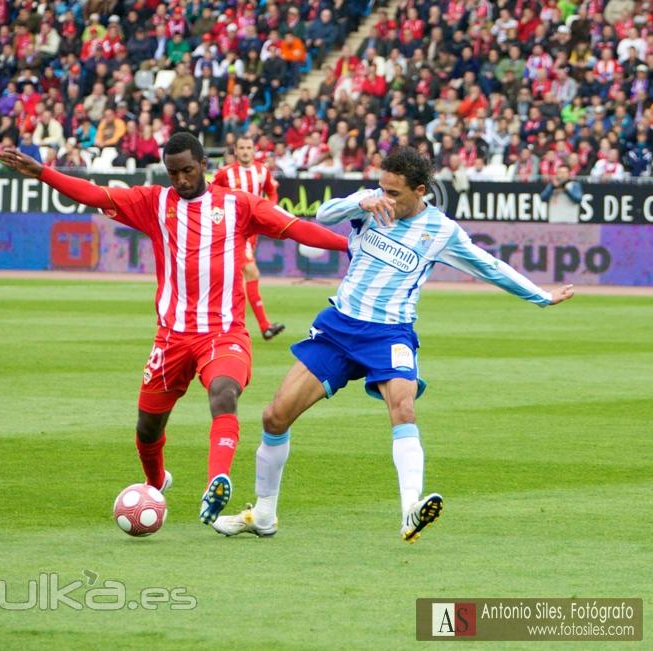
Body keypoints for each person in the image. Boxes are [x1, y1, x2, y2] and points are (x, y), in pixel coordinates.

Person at [213, 147, 574, 542]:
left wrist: (541, 295)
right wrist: (361, 199)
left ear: (420, 191)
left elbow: (488, 266)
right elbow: (323, 215)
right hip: (339, 327)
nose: (386, 198)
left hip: (390, 334)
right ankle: (263, 514)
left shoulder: (441, 231)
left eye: (395, 193)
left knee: (403, 408)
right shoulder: (370, 204)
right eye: (382, 188)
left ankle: (410, 512)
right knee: (274, 417)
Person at [0, 133, 349, 526]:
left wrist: (347, 247)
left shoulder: (237, 205)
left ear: (203, 165)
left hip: (223, 333)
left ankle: (217, 480)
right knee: (148, 427)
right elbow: (95, 195)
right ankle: (155, 482)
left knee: (224, 393)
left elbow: (294, 228)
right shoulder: (153, 203)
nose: (180, 180)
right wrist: (43, 173)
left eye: (187, 170)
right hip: (171, 339)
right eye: (172, 173)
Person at [213, 135, 285, 341]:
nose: (245, 151)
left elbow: (272, 193)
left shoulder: (262, 171)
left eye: (248, 148)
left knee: (234, 276)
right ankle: (262, 325)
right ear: (235, 151)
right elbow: (211, 193)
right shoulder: (225, 173)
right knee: (250, 272)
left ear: (254, 150)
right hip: (232, 231)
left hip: (252, 233)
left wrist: (268, 210)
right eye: (241, 148)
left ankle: (246, 325)